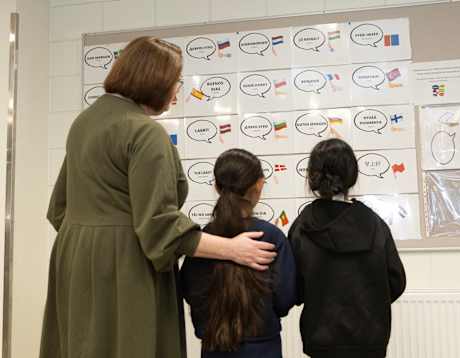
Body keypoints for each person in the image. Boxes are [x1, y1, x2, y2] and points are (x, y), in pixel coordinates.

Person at [40, 37, 276, 358]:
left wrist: (91, 242)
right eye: (176, 81)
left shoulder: (84, 123)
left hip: (74, 262)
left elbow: (59, 209)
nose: (178, 90)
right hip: (126, 269)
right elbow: (159, 227)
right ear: (156, 80)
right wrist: (233, 249)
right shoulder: (145, 132)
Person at [288, 138, 407, 358]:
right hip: (370, 340)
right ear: (352, 174)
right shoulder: (375, 224)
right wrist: (368, 300)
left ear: (313, 175)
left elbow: (292, 288)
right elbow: (396, 281)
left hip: (320, 341)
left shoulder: (302, 226)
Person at [180, 148, 296, 358]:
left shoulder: (202, 240)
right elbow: (285, 297)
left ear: (216, 186)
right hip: (263, 347)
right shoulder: (271, 237)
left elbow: (189, 289)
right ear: (259, 185)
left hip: (214, 345)